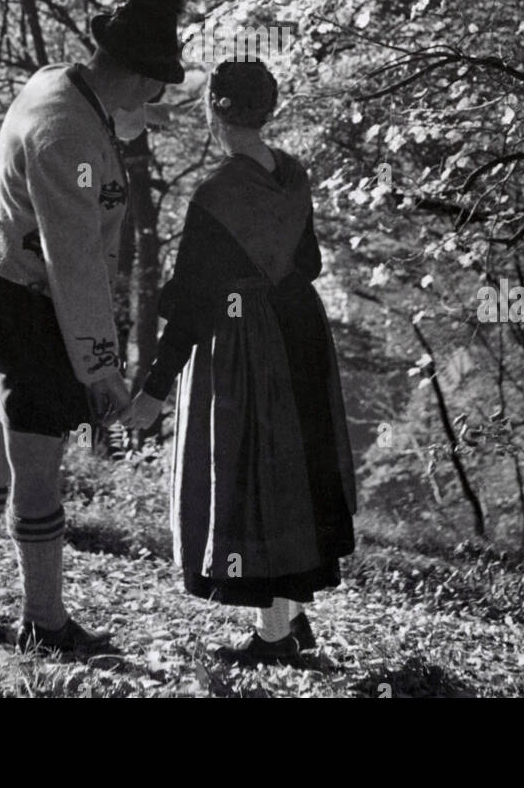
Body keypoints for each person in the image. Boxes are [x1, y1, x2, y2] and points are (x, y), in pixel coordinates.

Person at [0, 0, 185, 654]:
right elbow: (74, 263)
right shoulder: (70, 135)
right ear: (137, 75)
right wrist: (101, 369)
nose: (156, 101)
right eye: (156, 87)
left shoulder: (60, 84)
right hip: (22, 303)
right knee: (38, 465)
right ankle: (46, 625)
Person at [128, 59, 356, 664]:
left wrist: (153, 387)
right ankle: (293, 616)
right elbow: (309, 262)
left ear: (217, 110)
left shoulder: (214, 196)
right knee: (295, 476)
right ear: (269, 110)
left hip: (246, 347)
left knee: (253, 477)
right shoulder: (294, 173)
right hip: (301, 330)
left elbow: (193, 305)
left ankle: (273, 636)